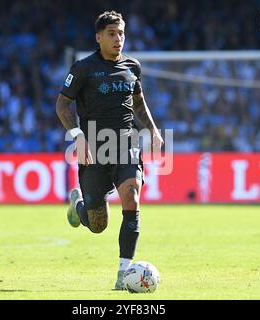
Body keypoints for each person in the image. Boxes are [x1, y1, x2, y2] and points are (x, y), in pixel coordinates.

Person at [55, 11, 163, 290]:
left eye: (122, 33)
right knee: (97, 224)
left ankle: (123, 274)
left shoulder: (132, 67)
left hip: (126, 145)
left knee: (132, 196)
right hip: (94, 148)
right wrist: (78, 136)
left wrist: (152, 129)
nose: (118, 39)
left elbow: (139, 103)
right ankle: (78, 206)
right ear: (98, 37)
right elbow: (62, 105)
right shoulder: (83, 69)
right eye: (112, 34)